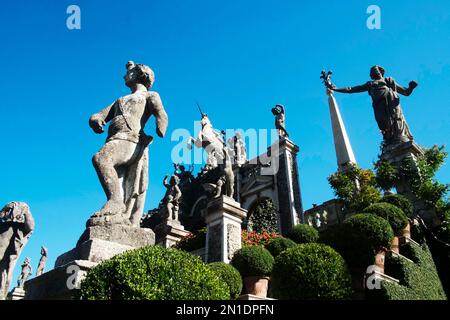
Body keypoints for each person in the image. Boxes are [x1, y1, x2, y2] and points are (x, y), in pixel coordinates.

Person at [89, 61, 168, 226]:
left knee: (101, 158)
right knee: (119, 181)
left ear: (140, 74)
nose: (124, 75)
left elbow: (161, 113)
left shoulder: (149, 95)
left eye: (129, 72)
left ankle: (115, 201)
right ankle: (118, 211)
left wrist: (161, 125)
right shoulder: (120, 100)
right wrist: (95, 119)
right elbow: (101, 115)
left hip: (130, 139)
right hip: (114, 138)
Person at [327, 65, 418, 146]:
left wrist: (411, 87)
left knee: (396, 120)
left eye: (376, 70)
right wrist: (335, 88)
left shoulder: (389, 80)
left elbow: (406, 92)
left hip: (392, 105)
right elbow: (351, 89)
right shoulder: (370, 84)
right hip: (379, 107)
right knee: (385, 125)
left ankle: (400, 138)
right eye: (373, 72)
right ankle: (389, 140)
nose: (375, 72)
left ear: (381, 72)